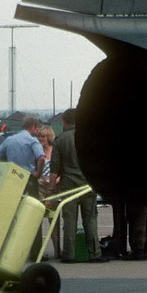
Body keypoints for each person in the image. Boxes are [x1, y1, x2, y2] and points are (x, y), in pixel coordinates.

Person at [50, 108, 102, 263]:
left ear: (64, 122)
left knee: (69, 220)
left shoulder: (60, 140)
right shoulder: (89, 138)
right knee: (90, 219)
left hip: (68, 185)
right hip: (88, 185)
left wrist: (52, 190)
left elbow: (54, 170)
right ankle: (94, 253)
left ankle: (69, 254)